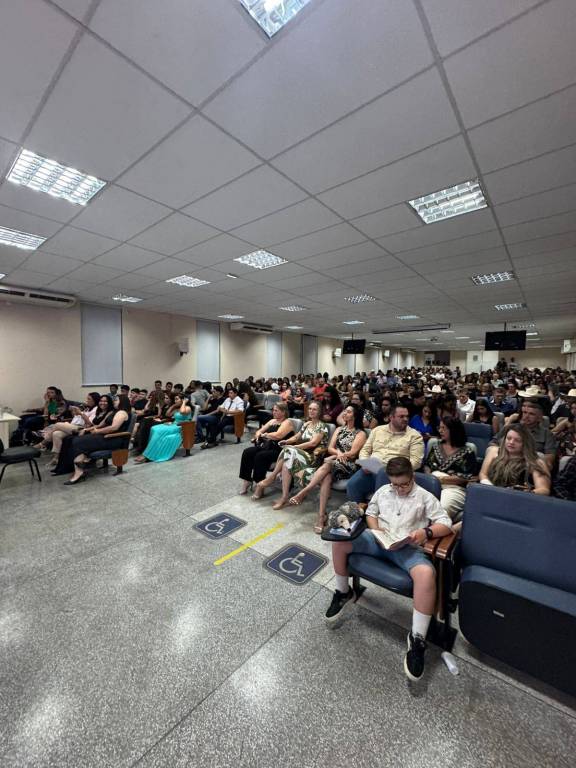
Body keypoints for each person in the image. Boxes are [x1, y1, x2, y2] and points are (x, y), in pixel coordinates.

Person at [325, 457, 452, 681]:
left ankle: (417, 638)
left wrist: (426, 533)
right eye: (395, 484)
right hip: (379, 540)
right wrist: (376, 531)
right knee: (340, 542)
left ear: (412, 477)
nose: (399, 489)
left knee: (426, 574)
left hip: (406, 547)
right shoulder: (384, 490)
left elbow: (446, 523)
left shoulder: (425, 497)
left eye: (404, 484)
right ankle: (344, 592)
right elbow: (371, 512)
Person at [289, 404, 367, 532]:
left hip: (349, 465)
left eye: (348, 412)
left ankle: (305, 491)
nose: (344, 413)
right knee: (326, 477)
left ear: (355, 415)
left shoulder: (360, 433)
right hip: (335, 462)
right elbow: (330, 448)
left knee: (328, 464)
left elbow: (353, 453)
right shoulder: (339, 429)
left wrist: (339, 455)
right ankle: (321, 517)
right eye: (344, 411)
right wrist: (338, 453)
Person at [252, 400, 329, 510]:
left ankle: (272, 477)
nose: (311, 411)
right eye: (310, 409)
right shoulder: (307, 424)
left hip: (313, 457)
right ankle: (284, 497)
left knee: (288, 450)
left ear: (320, 411)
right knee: (285, 464)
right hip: (301, 454)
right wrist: (287, 441)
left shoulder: (322, 426)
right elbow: (297, 437)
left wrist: (295, 447)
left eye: (314, 409)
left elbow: (313, 443)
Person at [346, 405, 424, 503]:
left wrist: (395, 470)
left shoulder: (415, 436)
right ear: (391, 417)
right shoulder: (377, 430)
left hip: (395, 475)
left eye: (407, 416)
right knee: (352, 485)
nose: (405, 419)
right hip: (371, 470)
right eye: (401, 416)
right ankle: (357, 511)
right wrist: (365, 463)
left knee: (383, 473)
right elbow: (365, 450)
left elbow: (416, 462)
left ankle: (377, 511)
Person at [62, 395, 131, 485]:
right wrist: (86, 430)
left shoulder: (122, 412)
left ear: (122, 401)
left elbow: (114, 427)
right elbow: (100, 425)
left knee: (79, 441)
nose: (114, 401)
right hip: (105, 436)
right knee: (77, 439)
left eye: (116, 400)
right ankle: (79, 466)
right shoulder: (113, 412)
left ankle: (79, 467)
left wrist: (98, 431)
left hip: (114, 439)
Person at [424, 416, 477, 523]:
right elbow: (427, 466)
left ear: (453, 430)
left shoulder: (467, 451)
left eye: (444, 428)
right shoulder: (436, 446)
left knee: (441, 509)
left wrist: (439, 479)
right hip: (432, 484)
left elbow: (464, 478)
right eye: (439, 427)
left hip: (455, 488)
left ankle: (435, 531)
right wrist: (430, 480)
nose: (440, 431)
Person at [238, 403, 295, 494]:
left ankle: (260, 484)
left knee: (260, 456)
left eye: (276, 410)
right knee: (247, 452)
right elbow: (259, 431)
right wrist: (258, 435)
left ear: (283, 412)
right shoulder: (272, 421)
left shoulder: (287, 422)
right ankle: (247, 480)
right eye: (273, 410)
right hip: (267, 446)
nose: (273, 412)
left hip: (279, 450)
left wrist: (265, 435)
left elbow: (278, 435)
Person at [480, 423, 550, 495]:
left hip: (518, 498)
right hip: (490, 493)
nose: (511, 442)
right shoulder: (493, 452)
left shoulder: (536, 462)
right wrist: (491, 488)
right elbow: (483, 474)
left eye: (517, 440)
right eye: (509, 438)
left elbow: (544, 489)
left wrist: (527, 492)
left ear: (525, 443)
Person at [39, 392, 100, 468]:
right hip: (73, 425)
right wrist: (74, 412)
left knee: (57, 425)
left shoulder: (96, 409)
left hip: (82, 428)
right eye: (87, 398)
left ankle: (43, 443)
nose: (86, 400)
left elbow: (90, 424)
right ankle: (56, 458)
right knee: (56, 434)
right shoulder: (87, 408)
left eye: (89, 399)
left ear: (95, 400)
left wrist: (81, 413)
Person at [134, 394, 192, 463]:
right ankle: (150, 452)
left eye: (177, 399)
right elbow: (167, 414)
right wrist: (173, 406)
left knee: (158, 431)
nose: (175, 401)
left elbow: (182, 412)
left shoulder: (187, 408)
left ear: (182, 400)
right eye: (175, 399)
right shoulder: (177, 408)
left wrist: (184, 402)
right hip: (174, 424)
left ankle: (148, 455)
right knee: (154, 428)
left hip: (182, 426)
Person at [500, 399, 556, 468]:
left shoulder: (546, 434)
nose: (526, 416)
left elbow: (549, 460)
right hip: (506, 463)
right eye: (524, 412)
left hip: (530, 467)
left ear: (539, 418)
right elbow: (493, 444)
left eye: (531, 414)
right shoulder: (511, 428)